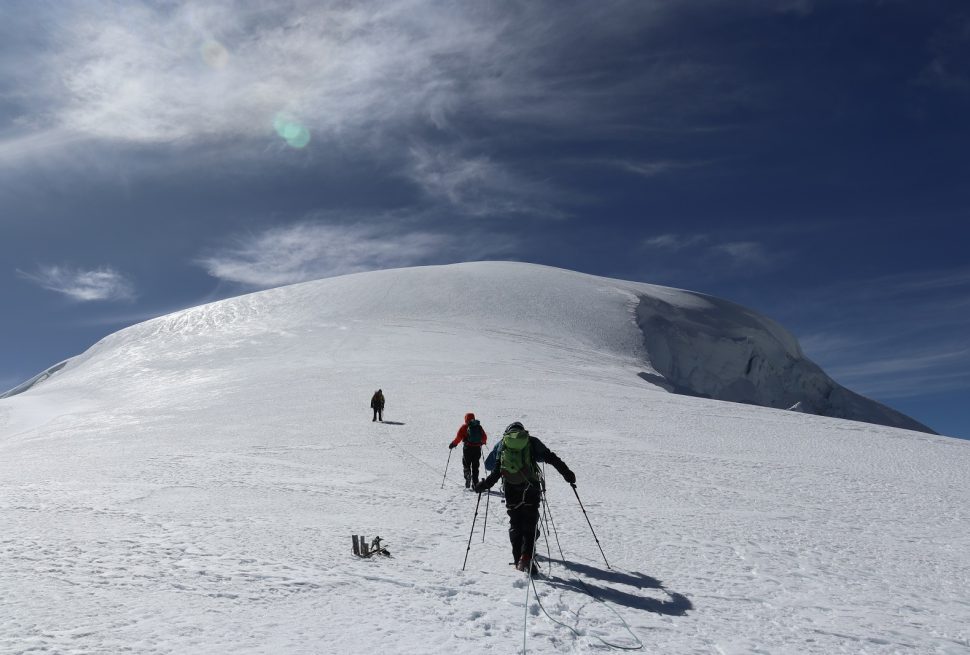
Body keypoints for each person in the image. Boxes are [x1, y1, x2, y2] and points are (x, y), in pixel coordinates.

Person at [474, 421, 576, 573]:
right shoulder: (531, 441)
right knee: (530, 522)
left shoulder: (502, 444)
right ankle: (527, 557)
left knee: (515, 523)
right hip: (531, 487)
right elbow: (551, 458)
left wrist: (482, 486)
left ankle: (518, 561)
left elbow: (491, 468)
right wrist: (567, 474)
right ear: (522, 431)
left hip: (510, 489)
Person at [449, 412, 488, 489]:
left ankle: (467, 476)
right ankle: (475, 484)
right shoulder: (478, 426)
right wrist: (481, 443)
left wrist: (453, 444)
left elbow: (458, 438)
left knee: (466, 464)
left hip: (467, 449)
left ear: (465, 419)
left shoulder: (464, 427)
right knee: (475, 467)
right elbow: (484, 438)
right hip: (477, 449)